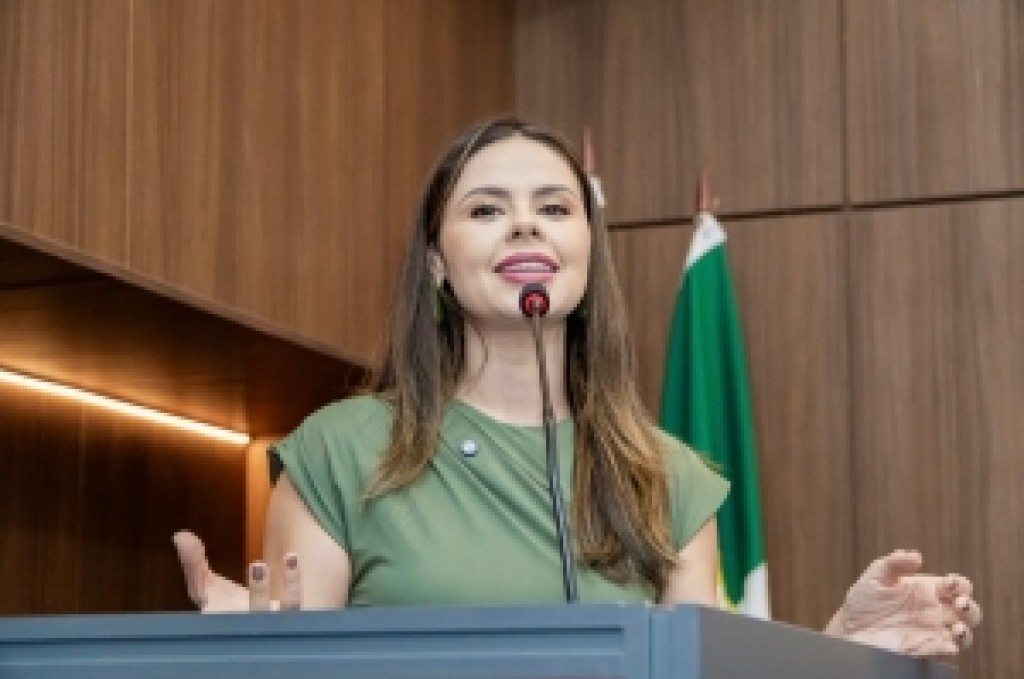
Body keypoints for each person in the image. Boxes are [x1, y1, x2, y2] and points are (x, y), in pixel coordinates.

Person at [173, 118, 981, 656]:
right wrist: (254, 660)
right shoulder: (340, 452)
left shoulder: (668, 479)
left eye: (555, 207)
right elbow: (296, 657)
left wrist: (842, 647)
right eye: (486, 209)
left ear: (587, 254)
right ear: (436, 262)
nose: (526, 223)